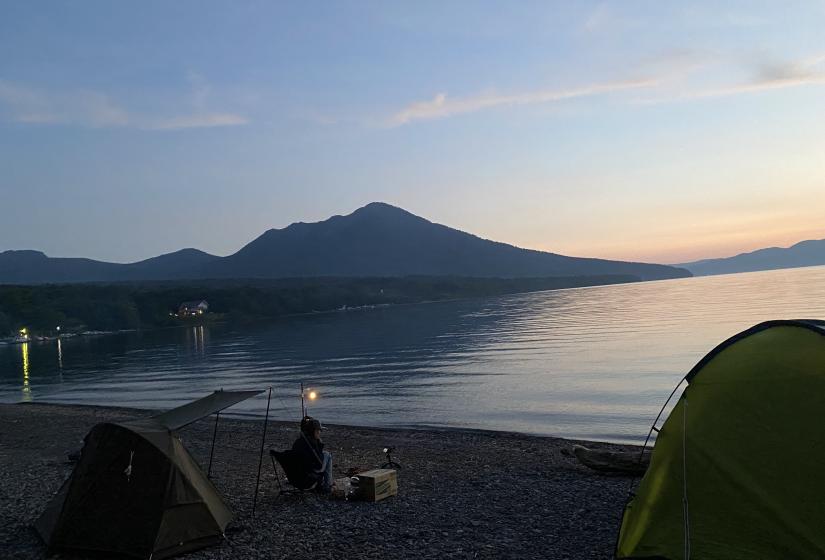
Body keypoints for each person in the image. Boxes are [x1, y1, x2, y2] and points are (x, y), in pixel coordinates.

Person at [292, 415, 333, 493]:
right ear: (313, 431)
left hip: (296, 477)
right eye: (317, 430)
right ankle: (327, 486)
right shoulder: (312, 444)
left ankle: (322, 485)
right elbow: (319, 464)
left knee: (325, 454)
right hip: (308, 477)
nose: (319, 432)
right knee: (328, 455)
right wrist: (319, 443)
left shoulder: (298, 442)